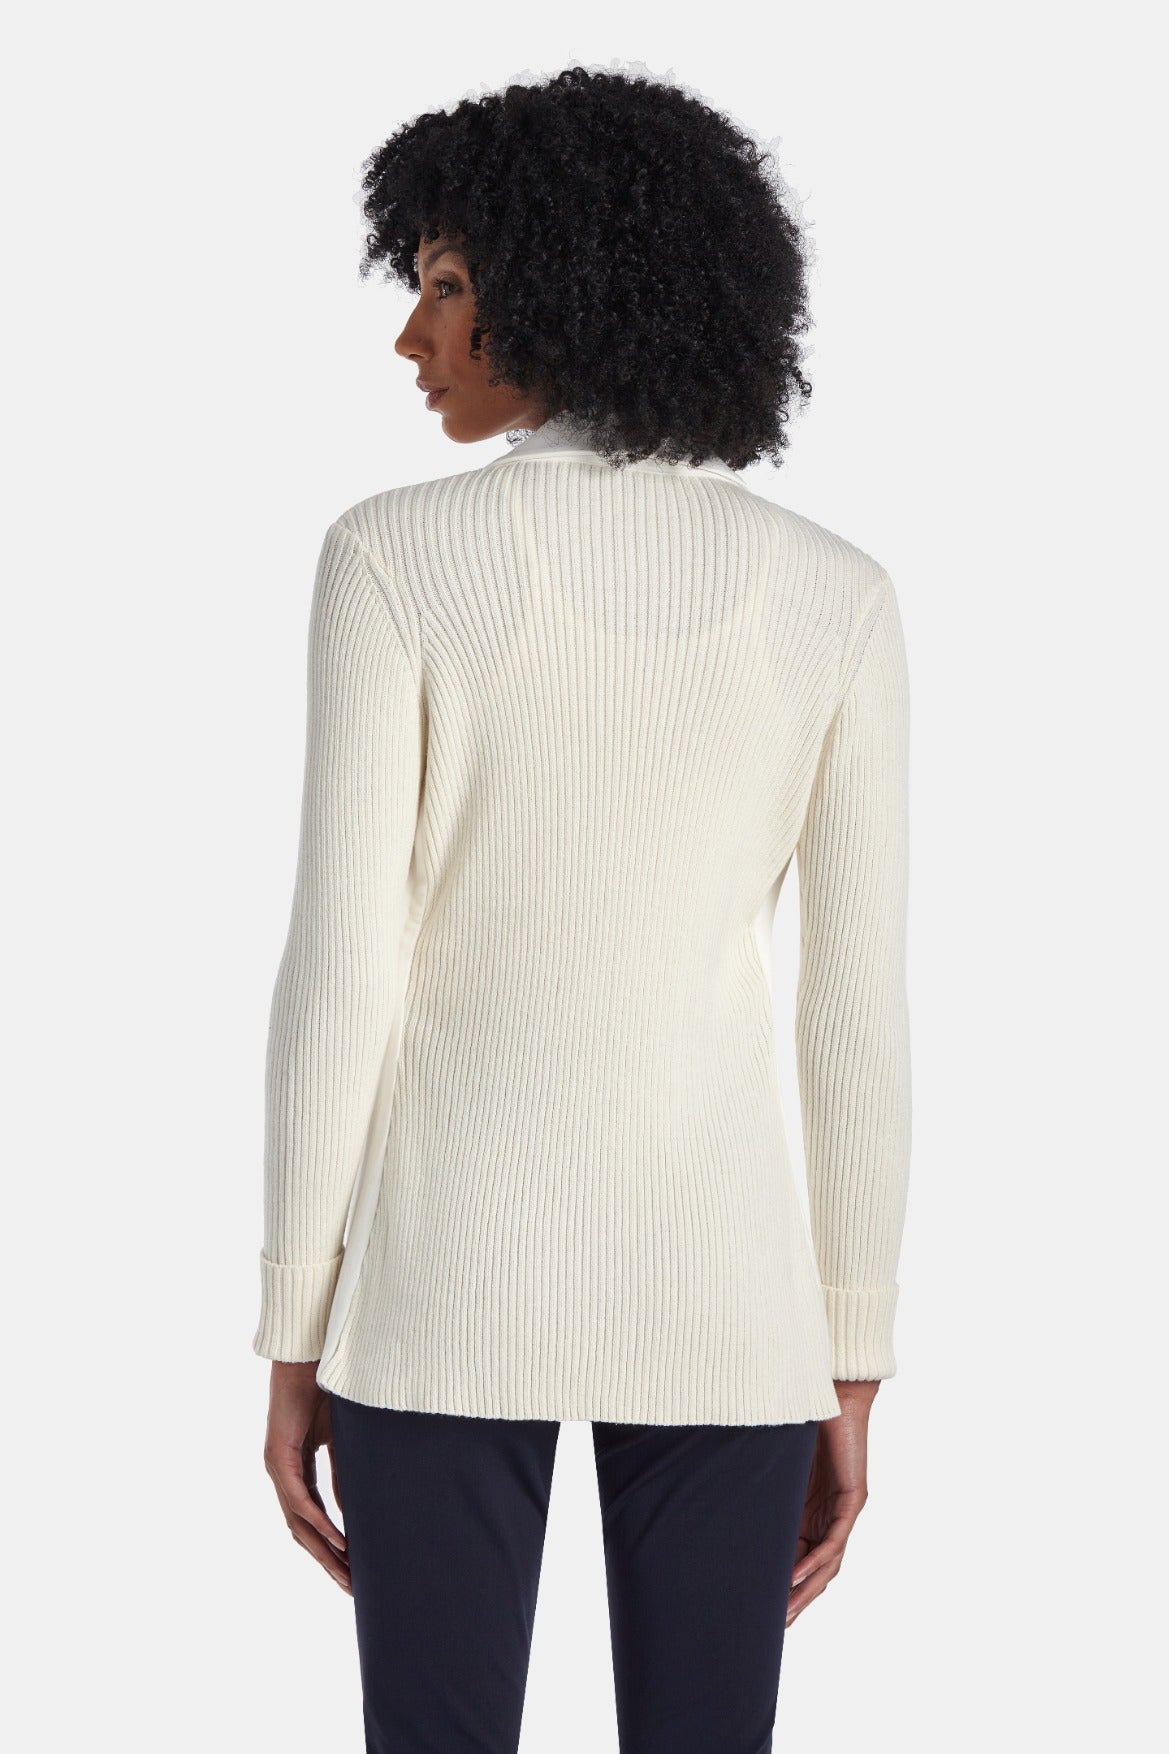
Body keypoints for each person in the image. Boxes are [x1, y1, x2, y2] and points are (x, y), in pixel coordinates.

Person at [254, 64, 912, 1754]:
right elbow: (852, 1013)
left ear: (560, 282)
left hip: (432, 1292)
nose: (410, 335)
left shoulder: (391, 557)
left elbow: (342, 970)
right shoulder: (834, 595)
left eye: (444, 283)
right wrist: (848, 1353)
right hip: (731, 1305)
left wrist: (295, 1325)